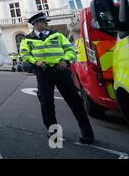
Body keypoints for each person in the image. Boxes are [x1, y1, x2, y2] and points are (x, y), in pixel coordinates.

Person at [19, 12, 95, 144]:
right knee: (46, 102)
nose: (47, 24)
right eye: (44, 21)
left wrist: (65, 60)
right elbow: (24, 54)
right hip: (43, 73)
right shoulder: (27, 39)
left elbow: (70, 50)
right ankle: (53, 131)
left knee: (75, 101)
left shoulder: (57, 35)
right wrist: (36, 62)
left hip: (61, 71)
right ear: (36, 24)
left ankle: (87, 133)